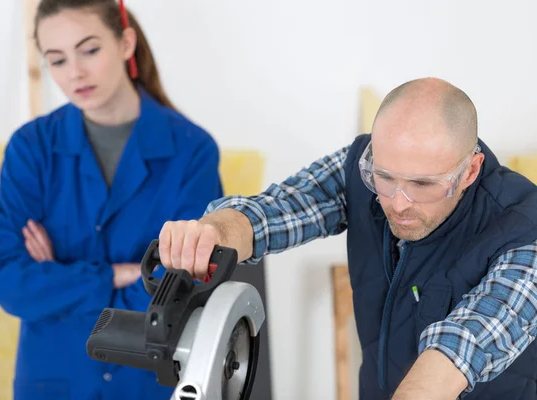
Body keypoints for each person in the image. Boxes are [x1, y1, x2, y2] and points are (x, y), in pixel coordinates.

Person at [157, 77, 537, 400]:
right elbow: (282, 208)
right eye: (385, 177)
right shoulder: (363, 165)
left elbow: (460, 349)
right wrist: (215, 231)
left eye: (422, 185)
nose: (397, 203)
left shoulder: (525, 233)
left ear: (470, 171)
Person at [0, 0, 223, 399]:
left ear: (125, 43)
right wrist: (115, 274)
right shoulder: (30, 147)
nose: (75, 73)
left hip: (150, 379)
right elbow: (7, 276)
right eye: (56, 60)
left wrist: (59, 278)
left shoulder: (192, 150)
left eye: (90, 50)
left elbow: (186, 283)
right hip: (54, 379)